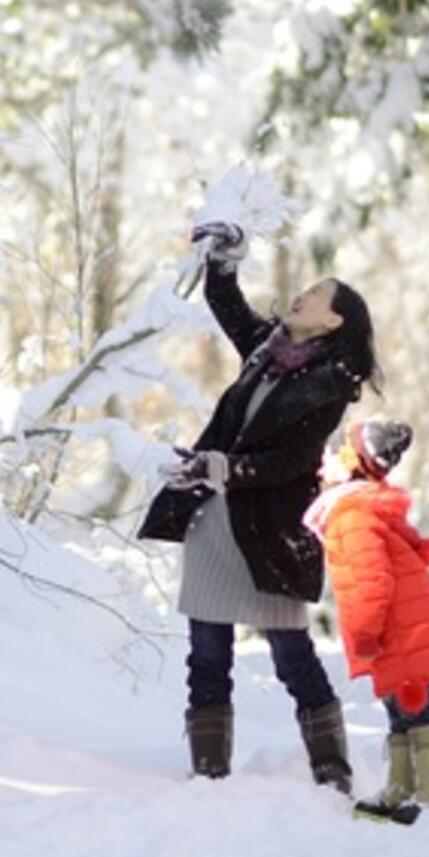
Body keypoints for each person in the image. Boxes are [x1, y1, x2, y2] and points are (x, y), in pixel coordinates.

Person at [140, 220, 379, 791]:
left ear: (334, 319)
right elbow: (227, 305)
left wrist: (225, 468)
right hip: (215, 519)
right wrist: (224, 258)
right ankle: (209, 774)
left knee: (291, 655)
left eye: (315, 294)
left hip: (270, 532)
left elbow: (291, 463)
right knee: (206, 655)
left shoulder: (329, 384)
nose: (301, 295)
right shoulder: (267, 354)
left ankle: (332, 770)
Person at [303, 419, 429, 825]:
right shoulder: (357, 508)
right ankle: (402, 788)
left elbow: (371, 581)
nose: (322, 464)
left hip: (404, 633)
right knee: (399, 712)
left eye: (332, 455)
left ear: (353, 462)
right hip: (403, 633)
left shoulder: (351, 515)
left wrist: (365, 631)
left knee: (418, 711)